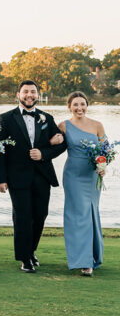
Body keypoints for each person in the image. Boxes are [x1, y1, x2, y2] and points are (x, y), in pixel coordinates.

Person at [0, 80, 67, 273]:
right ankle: (24, 257)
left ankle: (31, 250)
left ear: (38, 95)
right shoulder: (5, 118)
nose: (29, 95)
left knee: (40, 215)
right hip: (16, 176)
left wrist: (44, 153)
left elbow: (61, 143)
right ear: (18, 94)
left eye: (33, 92)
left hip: (42, 175)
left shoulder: (46, 118)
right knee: (22, 216)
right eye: (25, 92)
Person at [58, 91, 106, 276]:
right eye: (75, 104)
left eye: (82, 104)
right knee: (78, 216)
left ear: (87, 105)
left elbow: (105, 150)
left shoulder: (98, 125)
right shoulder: (63, 125)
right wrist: (53, 140)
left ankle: (93, 257)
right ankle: (84, 261)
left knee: (91, 213)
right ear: (69, 106)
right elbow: (53, 146)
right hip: (73, 176)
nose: (79, 108)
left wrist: (103, 165)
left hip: (93, 176)